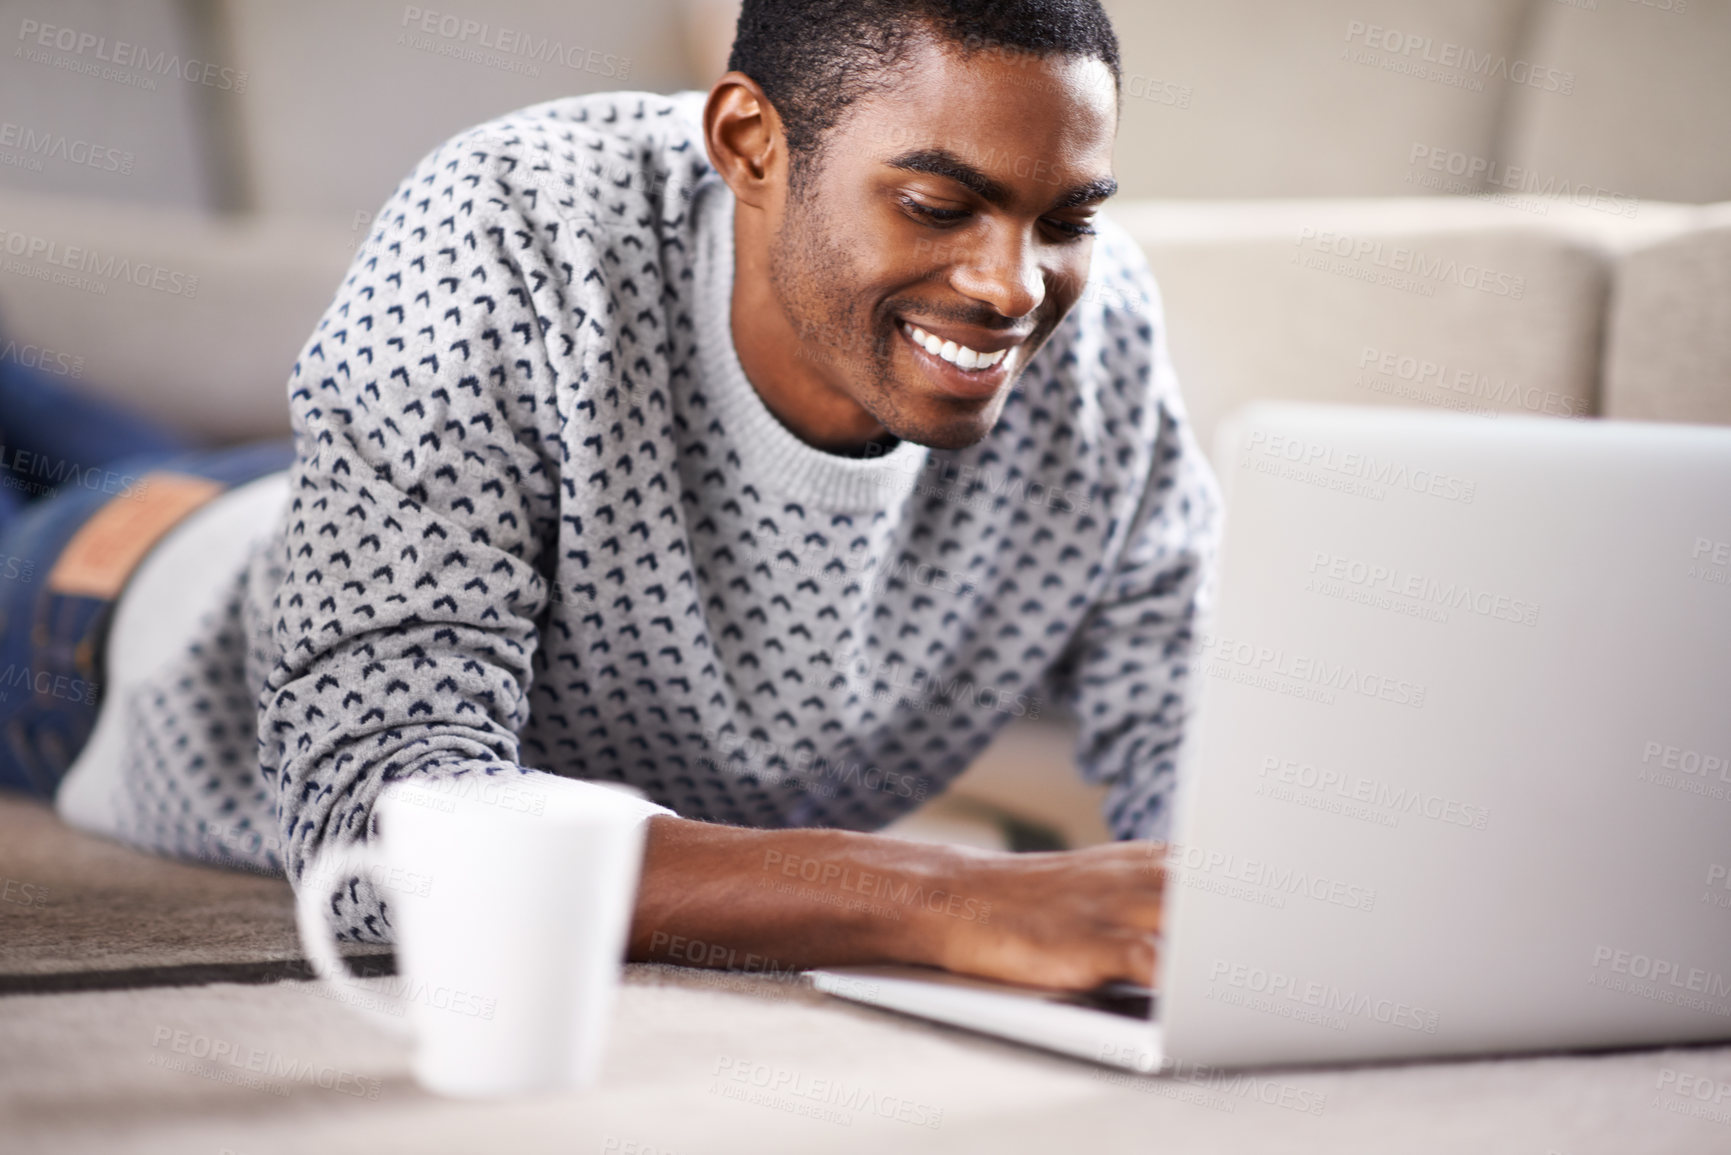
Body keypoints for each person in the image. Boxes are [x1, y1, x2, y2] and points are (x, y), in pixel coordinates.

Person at [9, 0, 1220, 994]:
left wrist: (1246, 907)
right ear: (750, 145)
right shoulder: (512, 223)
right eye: (938, 205)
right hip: (119, 615)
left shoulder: (1099, 330)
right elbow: (380, 819)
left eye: (1063, 219)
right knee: (88, 475)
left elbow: (1188, 698)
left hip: (352, 498)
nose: (1013, 287)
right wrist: (933, 896)